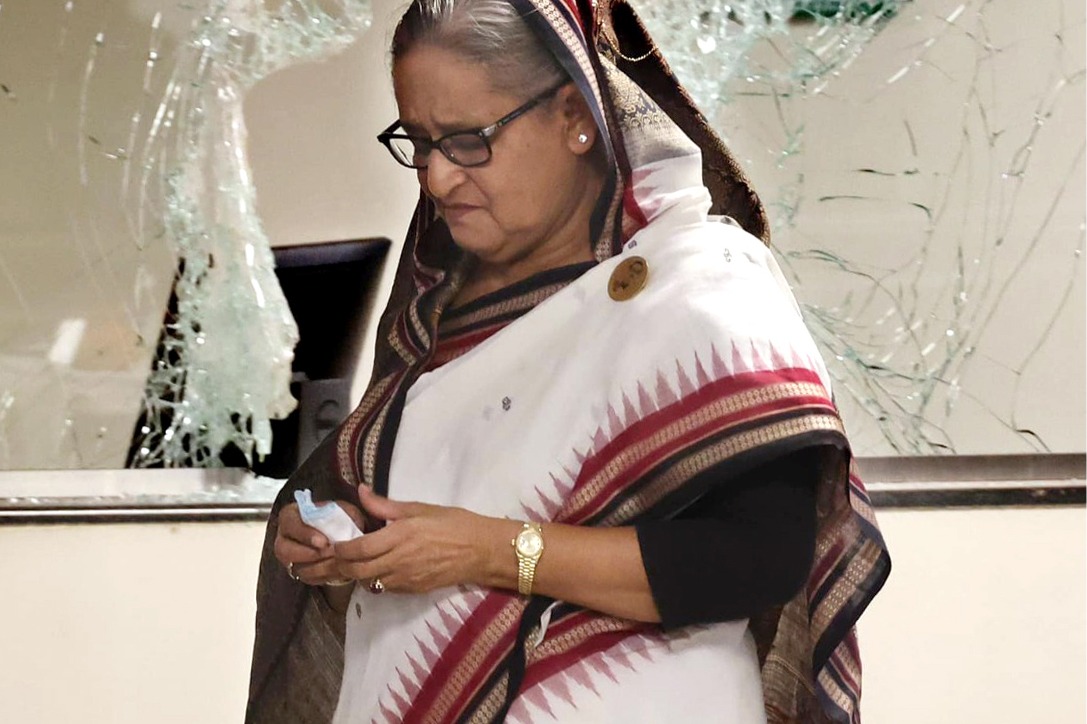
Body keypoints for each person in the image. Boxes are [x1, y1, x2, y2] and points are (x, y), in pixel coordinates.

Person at [247, 1, 891, 722]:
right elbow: (434, 527)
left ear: (574, 116)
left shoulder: (696, 285)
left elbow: (758, 561)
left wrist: (495, 551)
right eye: (419, 144)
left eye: (467, 141)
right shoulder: (434, 309)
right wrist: (347, 546)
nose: (437, 179)